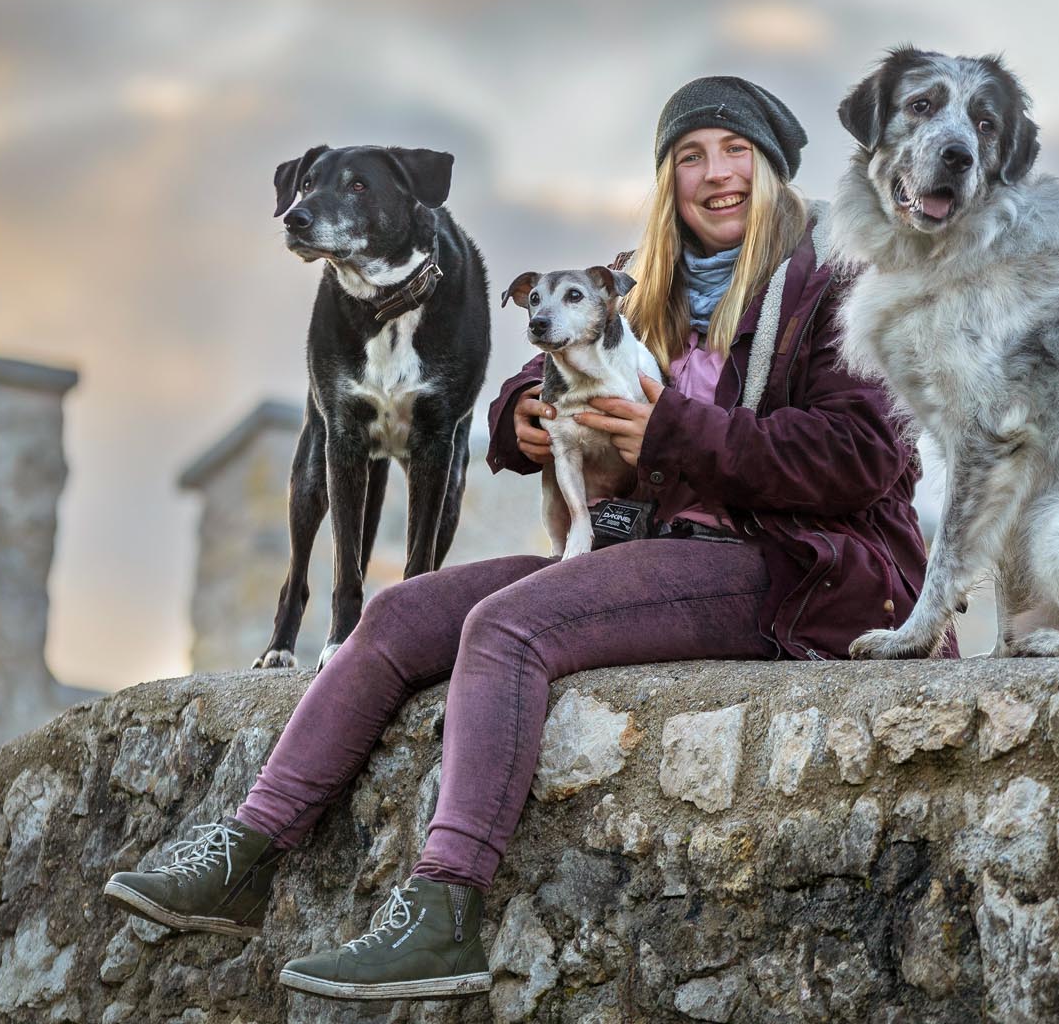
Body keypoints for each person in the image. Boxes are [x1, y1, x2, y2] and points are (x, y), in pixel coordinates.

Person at [102, 75, 946, 1003]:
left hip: (806, 572)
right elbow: (546, 364)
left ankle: (445, 911)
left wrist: (671, 434)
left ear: (775, 169)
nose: (715, 177)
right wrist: (523, 419)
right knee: (398, 613)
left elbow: (867, 456)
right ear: (668, 179)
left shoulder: (848, 277)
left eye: (736, 153)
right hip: (650, 542)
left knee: (508, 628)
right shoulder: (639, 275)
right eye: (690, 157)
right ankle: (245, 850)